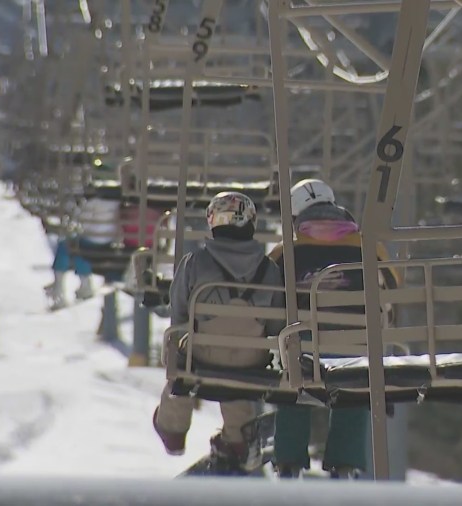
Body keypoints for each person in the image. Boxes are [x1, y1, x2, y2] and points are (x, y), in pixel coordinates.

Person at [268, 178, 400, 479]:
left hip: (302, 347)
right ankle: (345, 462)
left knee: (293, 378)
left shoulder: (285, 251)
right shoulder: (368, 247)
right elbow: (393, 290)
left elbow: (266, 294)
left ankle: (288, 460)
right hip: (356, 346)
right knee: (356, 382)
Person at [152, 192, 284, 472]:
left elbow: (179, 313)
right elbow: (276, 324)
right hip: (251, 361)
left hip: (203, 356)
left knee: (183, 367)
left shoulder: (194, 263)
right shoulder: (269, 270)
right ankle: (238, 436)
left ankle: (173, 429)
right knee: (237, 378)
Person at [46, 196, 119, 310]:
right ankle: (84, 285)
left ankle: (59, 288)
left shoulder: (92, 203)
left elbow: (84, 225)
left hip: (91, 241)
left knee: (65, 246)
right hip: (110, 241)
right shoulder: (116, 202)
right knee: (76, 247)